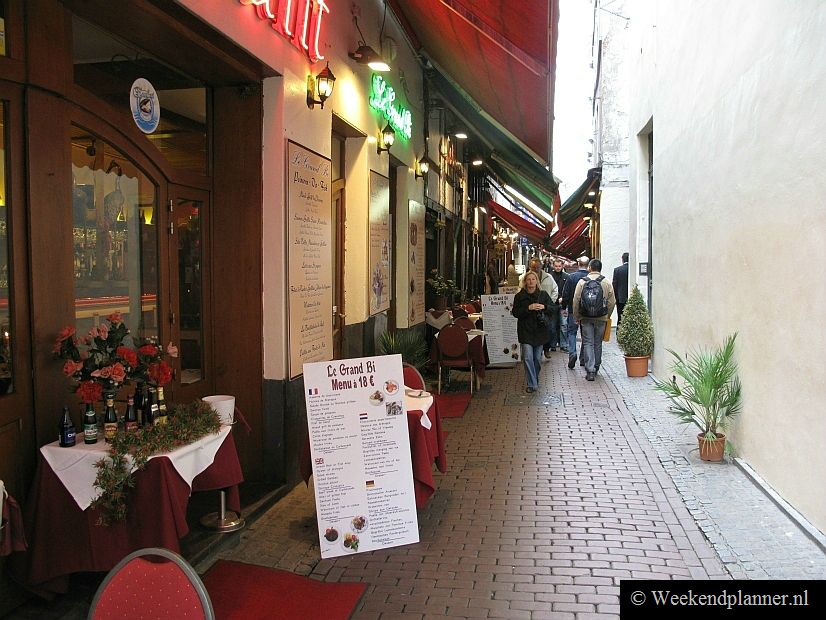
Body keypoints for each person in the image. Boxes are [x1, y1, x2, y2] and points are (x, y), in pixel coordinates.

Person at [572, 258, 616, 381]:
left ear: (589, 268)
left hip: (585, 317)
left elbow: (576, 300)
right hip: (601, 317)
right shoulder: (606, 282)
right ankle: (596, 367)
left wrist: (577, 316)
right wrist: (607, 315)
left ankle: (590, 370)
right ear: (600, 268)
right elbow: (612, 302)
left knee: (588, 343)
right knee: (597, 342)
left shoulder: (582, 282)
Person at [512, 271, 554, 393]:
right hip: (525, 331)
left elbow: (553, 309)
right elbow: (515, 312)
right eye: (528, 279)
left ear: (537, 281)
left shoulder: (543, 295)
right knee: (528, 358)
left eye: (533, 279)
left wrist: (544, 307)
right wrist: (528, 308)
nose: (531, 282)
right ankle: (532, 384)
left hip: (540, 332)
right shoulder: (519, 296)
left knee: (537, 359)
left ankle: (534, 378)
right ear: (525, 282)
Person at [520, 257, 558, 358]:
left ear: (541, 266)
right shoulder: (524, 278)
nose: (535, 269)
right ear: (529, 267)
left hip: (545, 311)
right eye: (533, 267)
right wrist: (526, 306)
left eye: (537, 267)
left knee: (549, 329)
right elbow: (519, 292)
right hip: (529, 316)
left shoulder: (548, 277)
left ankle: (546, 349)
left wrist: (549, 303)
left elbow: (555, 290)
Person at [561, 256, 590, 369]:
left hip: (573, 311)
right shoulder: (590, 277)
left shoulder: (571, 277)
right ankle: (583, 358)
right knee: (585, 335)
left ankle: (572, 353)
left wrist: (564, 307)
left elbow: (566, 294)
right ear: (588, 265)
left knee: (572, 333)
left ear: (578, 264)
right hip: (588, 312)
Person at [549, 258, 569, 352]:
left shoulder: (566, 276)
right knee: (552, 325)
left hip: (563, 304)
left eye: (559, 266)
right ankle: (552, 344)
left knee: (563, 325)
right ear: (553, 266)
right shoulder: (550, 276)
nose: (558, 268)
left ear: (562, 266)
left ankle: (563, 344)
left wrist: (563, 299)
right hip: (552, 304)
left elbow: (568, 290)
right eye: (556, 266)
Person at [612, 252, 629, 326]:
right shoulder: (633, 269)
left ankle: (619, 335)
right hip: (629, 297)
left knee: (620, 318)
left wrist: (615, 298)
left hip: (620, 299)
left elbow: (614, 285)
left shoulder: (617, 270)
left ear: (622, 259)